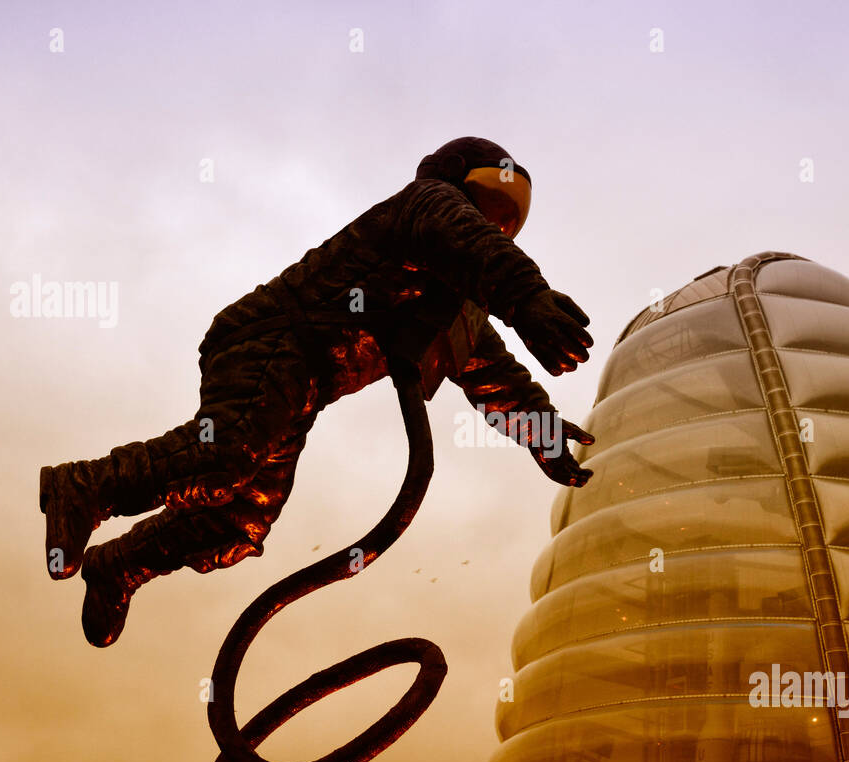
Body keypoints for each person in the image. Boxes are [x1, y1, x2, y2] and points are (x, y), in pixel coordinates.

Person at [39, 136, 596, 648]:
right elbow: (465, 240)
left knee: (242, 521)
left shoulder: (458, 307)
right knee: (228, 452)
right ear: (453, 183)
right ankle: (87, 484)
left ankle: (121, 564)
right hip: (272, 338)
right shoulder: (424, 208)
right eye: (488, 208)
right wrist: (528, 298)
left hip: (305, 386)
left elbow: (492, 374)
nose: (495, 227)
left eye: (509, 223)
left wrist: (542, 433)